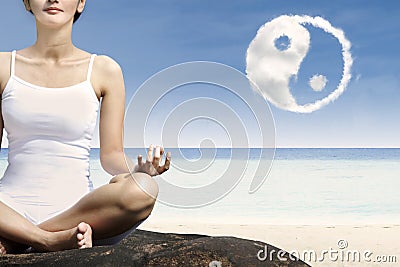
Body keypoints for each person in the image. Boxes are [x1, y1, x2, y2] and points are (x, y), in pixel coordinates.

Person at [0, 0, 171, 254]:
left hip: (80, 210)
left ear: (80, 3)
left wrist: (140, 170)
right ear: (26, 3)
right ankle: (46, 240)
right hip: (9, 206)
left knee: (144, 188)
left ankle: (18, 238)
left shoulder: (104, 70)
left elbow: (111, 155)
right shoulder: (4, 66)